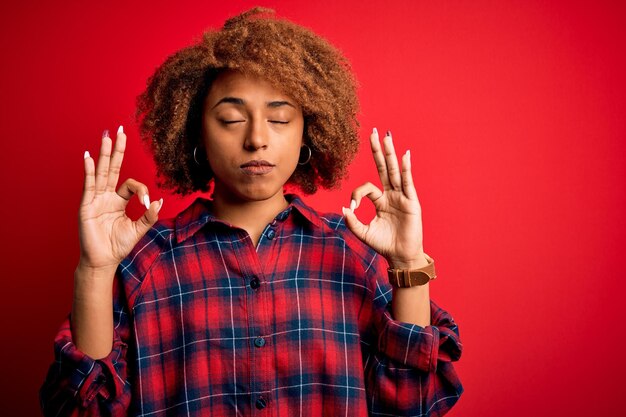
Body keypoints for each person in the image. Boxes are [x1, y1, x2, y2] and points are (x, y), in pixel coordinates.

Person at [40, 7, 462, 416]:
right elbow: (83, 410)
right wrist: (94, 271)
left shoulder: (353, 252)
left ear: (306, 135)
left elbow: (413, 406)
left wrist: (408, 264)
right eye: (230, 119)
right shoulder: (145, 261)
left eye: (279, 119)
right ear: (196, 133)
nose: (257, 138)